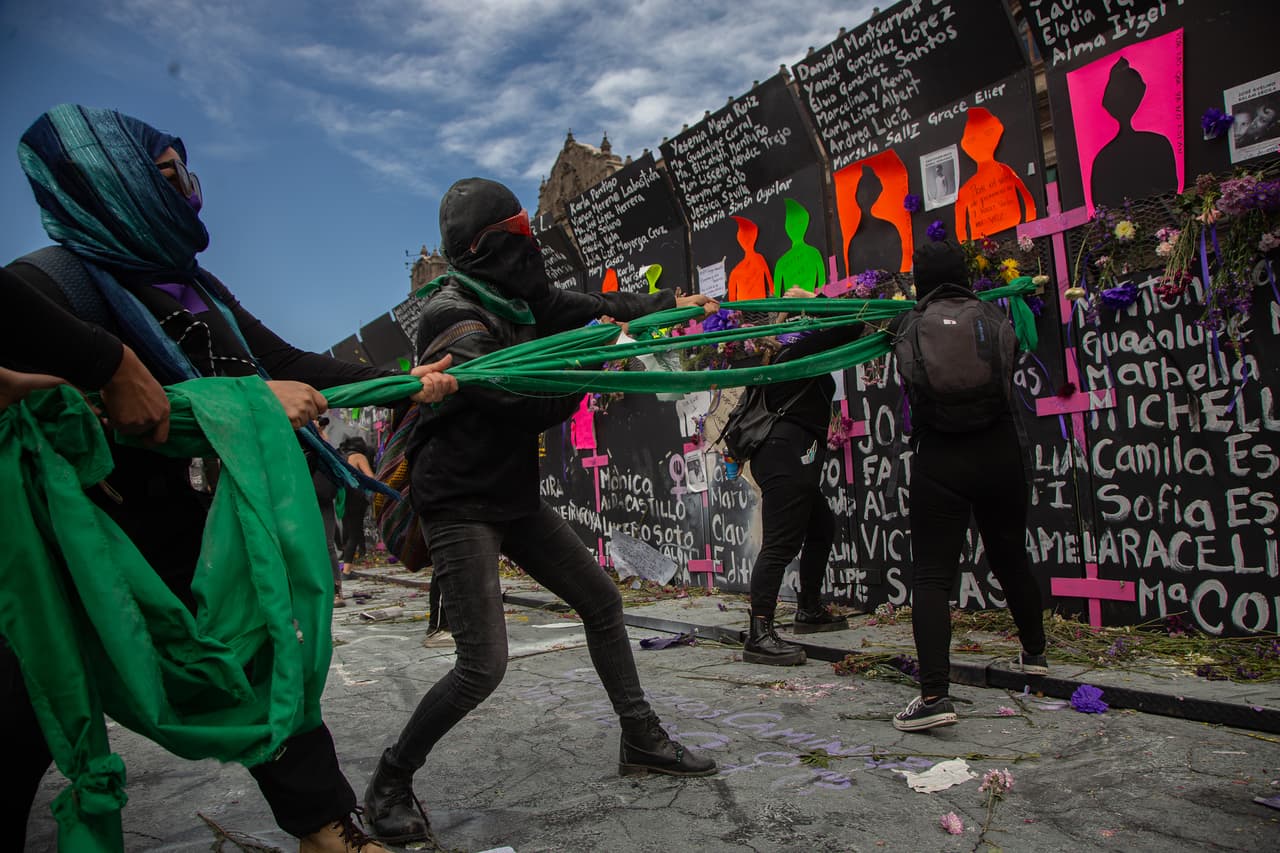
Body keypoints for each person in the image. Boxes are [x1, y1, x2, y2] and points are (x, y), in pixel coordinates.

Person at [5, 104, 456, 853]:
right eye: (169, 176)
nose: (190, 194)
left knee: (261, 669)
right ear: (108, 182)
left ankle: (327, 828)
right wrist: (116, 365)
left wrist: (399, 381)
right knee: (27, 708)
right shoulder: (54, 285)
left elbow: (286, 362)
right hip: (87, 551)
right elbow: (81, 398)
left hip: (191, 541)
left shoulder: (195, 289)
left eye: (187, 175)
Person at [362, 178, 719, 844]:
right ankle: (389, 779)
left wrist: (666, 305)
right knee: (482, 665)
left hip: (510, 493)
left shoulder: (519, 295)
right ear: (487, 245)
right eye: (520, 234)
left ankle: (640, 737)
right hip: (460, 499)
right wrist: (598, 362)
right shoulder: (452, 314)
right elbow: (519, 398)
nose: (532, 247)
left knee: (602, 601)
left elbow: (590, 302)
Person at [890, 240, 1047, 732]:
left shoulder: (910, 324)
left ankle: (935, 695)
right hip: (1001, 452)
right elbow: (1017, 356)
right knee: (1010, 555)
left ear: (921, 281)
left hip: (941, 457)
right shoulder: (995, 317)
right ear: (966, 275)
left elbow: (905, 372)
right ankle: (1035, 656)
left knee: (933, 576)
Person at [741, 287, 859, 667]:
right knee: (779, 544)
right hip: (788, 456)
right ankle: (759, 633)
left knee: (822, 525)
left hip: (787, 456)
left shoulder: (784, 357)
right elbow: (852, 323)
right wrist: (815, 298)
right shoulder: (799, 354)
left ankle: (808, 608)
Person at [338, 435, 374, 567]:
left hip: (343, 497)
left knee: (349, 528)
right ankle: (347, 567)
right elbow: (370, 476)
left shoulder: (342, 457)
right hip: (356, 497)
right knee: (355, 531)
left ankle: (358, 554)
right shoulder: (359, 457)